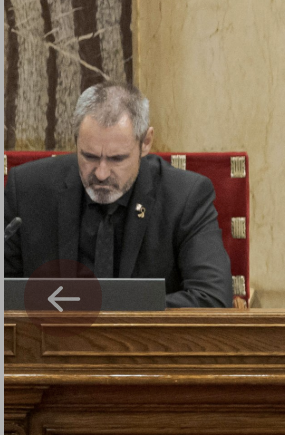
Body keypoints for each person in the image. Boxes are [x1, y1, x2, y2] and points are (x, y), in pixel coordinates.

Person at [4, 81, 232, 308]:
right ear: (76, 141)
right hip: (47, 341)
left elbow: (212, 299)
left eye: (117, 159)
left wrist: (111, 311)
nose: (101, 174)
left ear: (146, 142)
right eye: (90, 156)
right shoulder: (26, 190)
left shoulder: (185, 197)